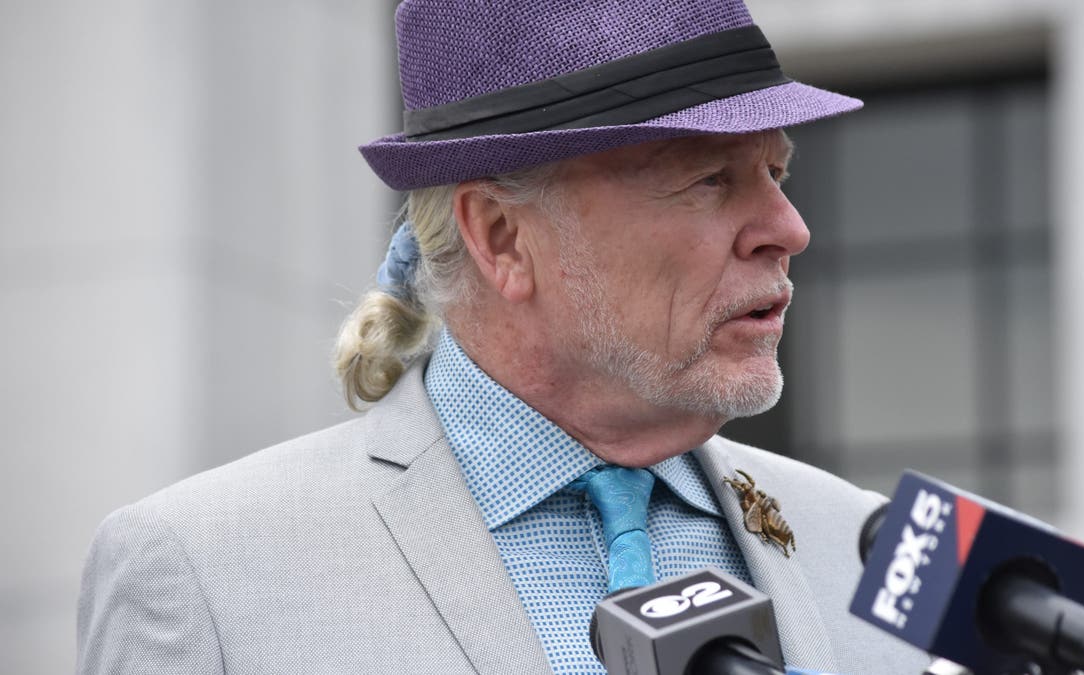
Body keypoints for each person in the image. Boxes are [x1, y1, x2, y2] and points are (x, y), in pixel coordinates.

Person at [76, 1, 931, 673]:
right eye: (709, 179)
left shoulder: (880, 551)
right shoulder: (204, 571)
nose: (788, 227)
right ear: (501, 238)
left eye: (775, 172)